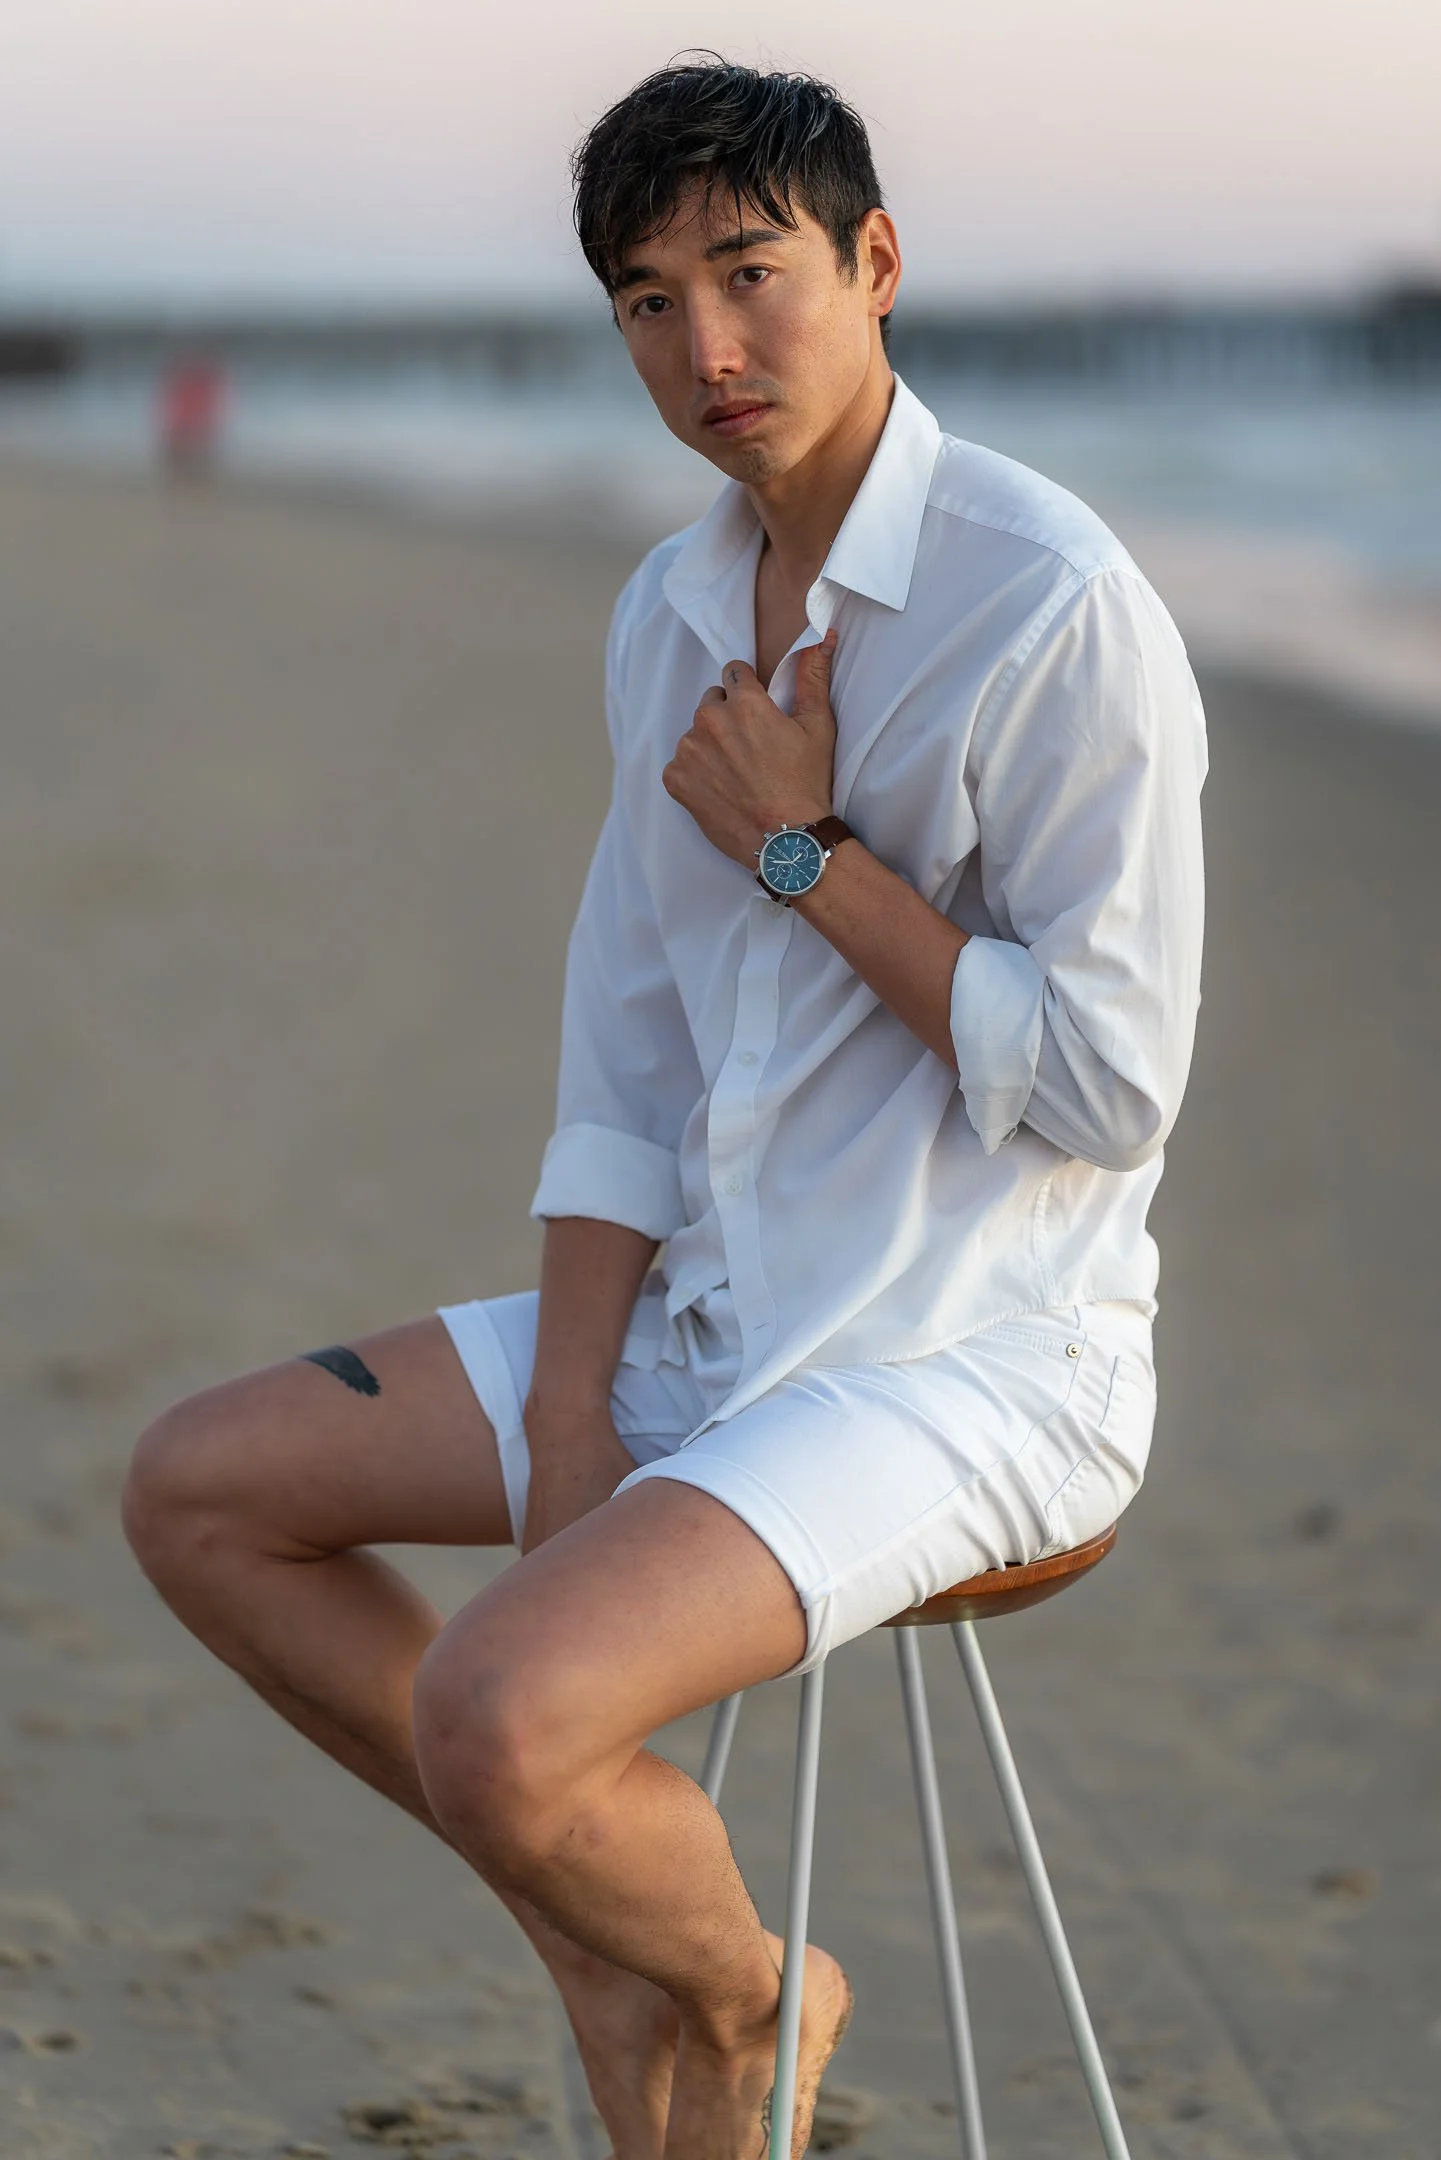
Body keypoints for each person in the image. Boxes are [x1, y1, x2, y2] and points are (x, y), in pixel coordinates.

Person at [121, 59, 1206, 2160]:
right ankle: (682, 1969)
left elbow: (1108, 1082)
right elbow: (627, 1048)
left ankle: (724, 1998)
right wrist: (563, 1419)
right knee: (200, 1491)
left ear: (875, 263)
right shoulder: (671, 610)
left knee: (500, 1714)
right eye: (642, 299)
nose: (702, 348)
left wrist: (812, 858)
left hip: (975, 1357)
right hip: (718, 1312)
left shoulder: (1049, 605)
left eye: (749, 271)